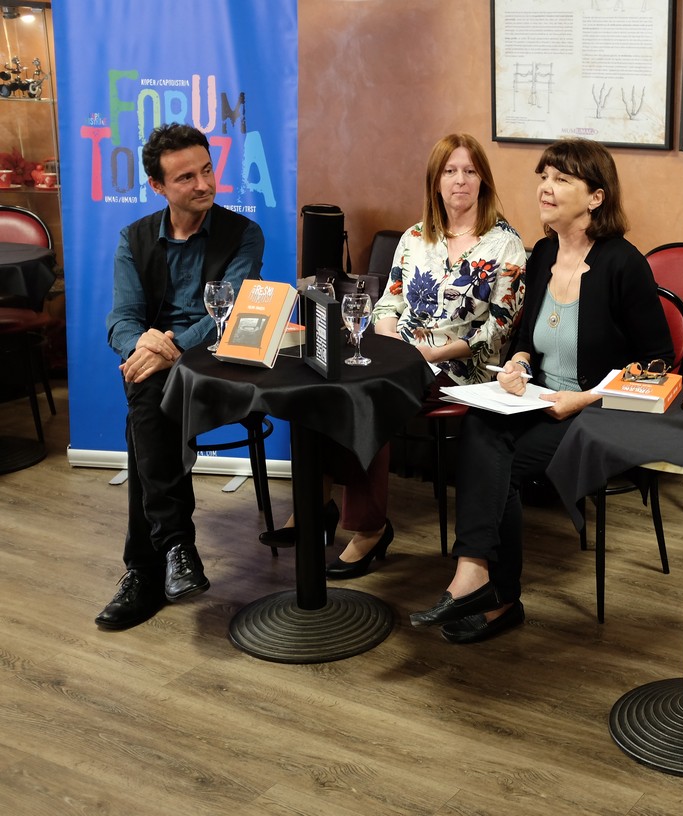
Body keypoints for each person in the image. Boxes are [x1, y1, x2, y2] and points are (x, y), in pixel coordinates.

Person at [408, 137, 672, 644]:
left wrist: (585, 398)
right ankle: (476, 575)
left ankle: (495, 594)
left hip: (599, 411)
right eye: (543, 177)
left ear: (596, 197)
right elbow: (527, 335)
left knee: (497, 463)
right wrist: (520, 363)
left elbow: (658, 362)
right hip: (543, 398)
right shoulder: (545, 251)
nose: (545, 189)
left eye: (561, 180)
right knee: (481, 427)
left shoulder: (623, 264)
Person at [257, 133, 526, 578]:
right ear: (436, 181)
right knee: (324, 380)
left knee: (373, 397)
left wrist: (435, 350)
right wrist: (389, 342)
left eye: (469, 171)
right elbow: (386, 304)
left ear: (484, 180)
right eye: (450, 171)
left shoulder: (504, 244)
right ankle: (315, 503)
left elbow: (499, 327)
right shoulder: (416, 236)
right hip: (397, 354)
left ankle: (369, 529)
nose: (460, 180)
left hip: (459, 366)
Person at [95, 123, 265, 630]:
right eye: (186, 177)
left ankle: (148, 566)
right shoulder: (134, 239)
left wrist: (168, 349)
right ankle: (172, 552)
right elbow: (122, 320)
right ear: (158, 186)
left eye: (207, 170)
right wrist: (141, 348)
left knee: (143, 401)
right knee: (146, 392)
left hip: (218, 366)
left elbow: (229, 316)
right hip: (159, 369)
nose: (204, 184)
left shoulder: (244, 234)